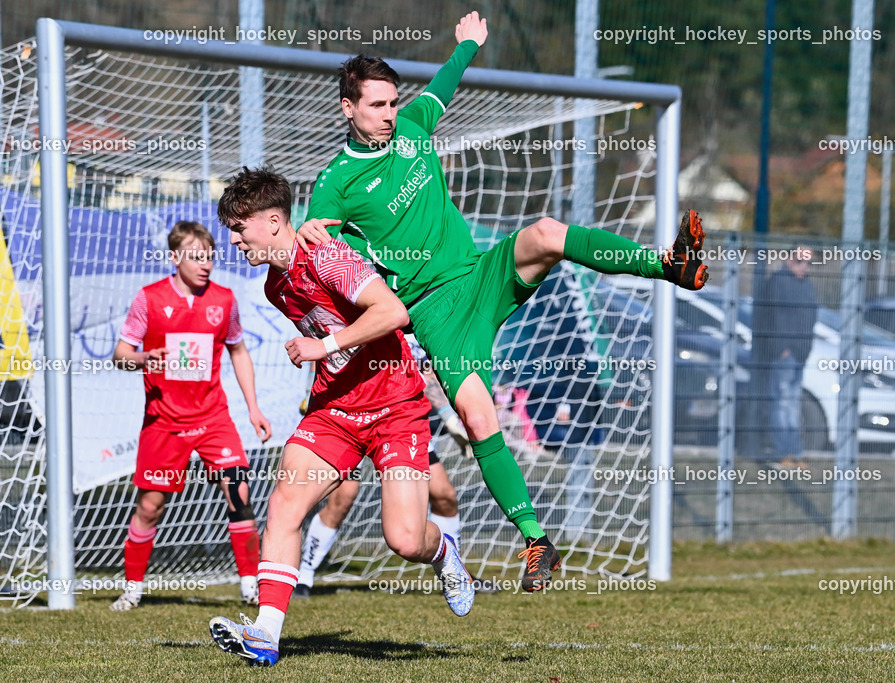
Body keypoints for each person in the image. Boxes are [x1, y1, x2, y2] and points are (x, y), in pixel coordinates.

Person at [297, 10, 709, 591]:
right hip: (435, 313)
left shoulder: (412, 126)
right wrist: (308, 229)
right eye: (376, 105)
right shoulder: (335, 182)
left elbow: (442, 87)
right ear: (348, 108)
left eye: (392, 102)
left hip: (479, 274)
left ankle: (668, 264)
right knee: (478, 417)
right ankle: (536, 540)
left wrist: (466, 46)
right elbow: (318, 245)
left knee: (546, 232)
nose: (389, 114)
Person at [209, 168, 475, 667]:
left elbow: (393, 312)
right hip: (335, 411)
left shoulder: (325, 254)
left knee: (404, 539)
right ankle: (266, 634)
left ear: (273, 222)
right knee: (284, 504)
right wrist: (327, 355)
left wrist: (323, 346)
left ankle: (444, 552)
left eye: (240, 228)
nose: (234, 240)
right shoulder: (275, 285)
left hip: (395, 406)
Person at [109, 221, 272, 611]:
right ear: (174, 258)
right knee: (150, 507)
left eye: (210, 257)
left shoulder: (224, 300)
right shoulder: (149, 299)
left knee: (239, 492)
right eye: (196, 257)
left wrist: (253, 408)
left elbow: (238, 351)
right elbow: (120, 355)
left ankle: (251, 587)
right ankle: (132, 590)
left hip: (213, 418)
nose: (206, 264)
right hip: (164, 421)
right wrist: (142, 359)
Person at [294, 339, 500, 597]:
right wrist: (310, 393)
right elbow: (323, 350)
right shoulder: (364, 318)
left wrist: (450, 420)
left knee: (444, 495)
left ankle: (455, 575)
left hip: (397, 424)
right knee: (342, 499)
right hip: (348, 417)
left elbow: (424, 372)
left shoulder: (416, 324)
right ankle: (304, 577)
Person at [763, 245, 818, 469]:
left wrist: (805, 348)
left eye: (808, 262)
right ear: (788, 259)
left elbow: (809, 318)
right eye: (799, 261)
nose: (804, 266)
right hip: (785, 354)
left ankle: (795, 453)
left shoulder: (806, 284)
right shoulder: (778, 281)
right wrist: (782, 348)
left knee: (792, 405)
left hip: (800, 354)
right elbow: (771, 316)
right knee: (781, 404)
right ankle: (783, 453)